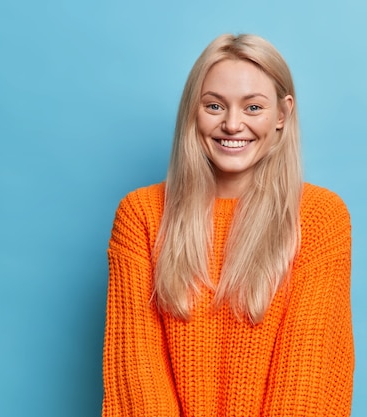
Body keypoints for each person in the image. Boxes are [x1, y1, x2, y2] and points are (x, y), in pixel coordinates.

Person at [102, 34, 354, 417]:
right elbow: (137, 378)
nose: (232, 124)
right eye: (215, 106)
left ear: (283, 114)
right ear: (193, 111)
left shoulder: (319, 218)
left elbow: (307, 383)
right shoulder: (141, 215)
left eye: (253, 107)